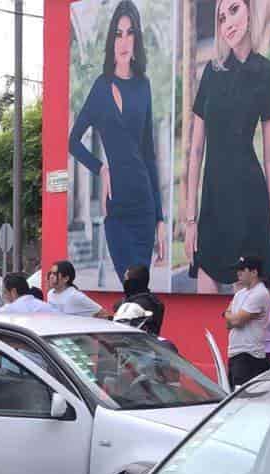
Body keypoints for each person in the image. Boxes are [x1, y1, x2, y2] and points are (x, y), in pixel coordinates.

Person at [182, 0, 270, 293]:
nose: (227, 22)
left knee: (244, 316)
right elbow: (195, 152)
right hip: (212, 205)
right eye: (221, 17)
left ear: (251, 12)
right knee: (204, 302)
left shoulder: (267, 72)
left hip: (248, 201)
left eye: (235, 10)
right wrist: (191, 220)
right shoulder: (211, 74)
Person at [67, 0, 167, 284]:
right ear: (112, 41)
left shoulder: (143, 86)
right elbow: (73, 141)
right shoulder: (101, 87)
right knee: (128, 282)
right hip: (117, 205)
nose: (124, 41)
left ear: (137, 40)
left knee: (139, 287)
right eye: (118, 34)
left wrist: (159, 217)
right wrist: (101, 169)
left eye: (130, 32)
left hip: (144, 204)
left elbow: (149, 155)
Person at [224, 256, 270, 386]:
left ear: (254, 272)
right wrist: (229, 316)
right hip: (235, 352)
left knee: (242, 398)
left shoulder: (260, 293)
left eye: (242, 269)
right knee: (232, 395)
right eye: (237, 269)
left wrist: (228, 314)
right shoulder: (240, 293)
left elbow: (237, 321)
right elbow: (228, 324)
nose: (238, 273)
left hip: (249, 355)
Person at [119, 264, 164, 334]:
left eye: (126, 279)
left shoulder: (139, 304)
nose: (124, 282)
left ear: (133, 282)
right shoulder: (152, 300)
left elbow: (122, 329)